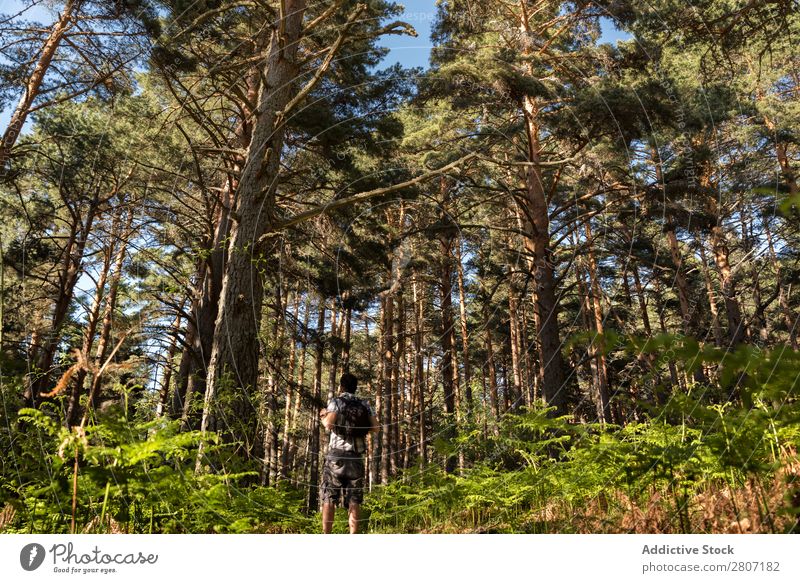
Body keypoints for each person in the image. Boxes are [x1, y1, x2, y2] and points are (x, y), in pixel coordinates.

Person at [319, 372, 379, 534]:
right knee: (354, 499)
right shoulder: (364, 404)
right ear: (355, 387)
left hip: (336, 456)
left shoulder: (336, 402)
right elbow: (376, 428)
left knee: (329, 497)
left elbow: (328, 425)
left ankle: (327, 535)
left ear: (341, 386)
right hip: (355, 457)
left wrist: (323, 415)